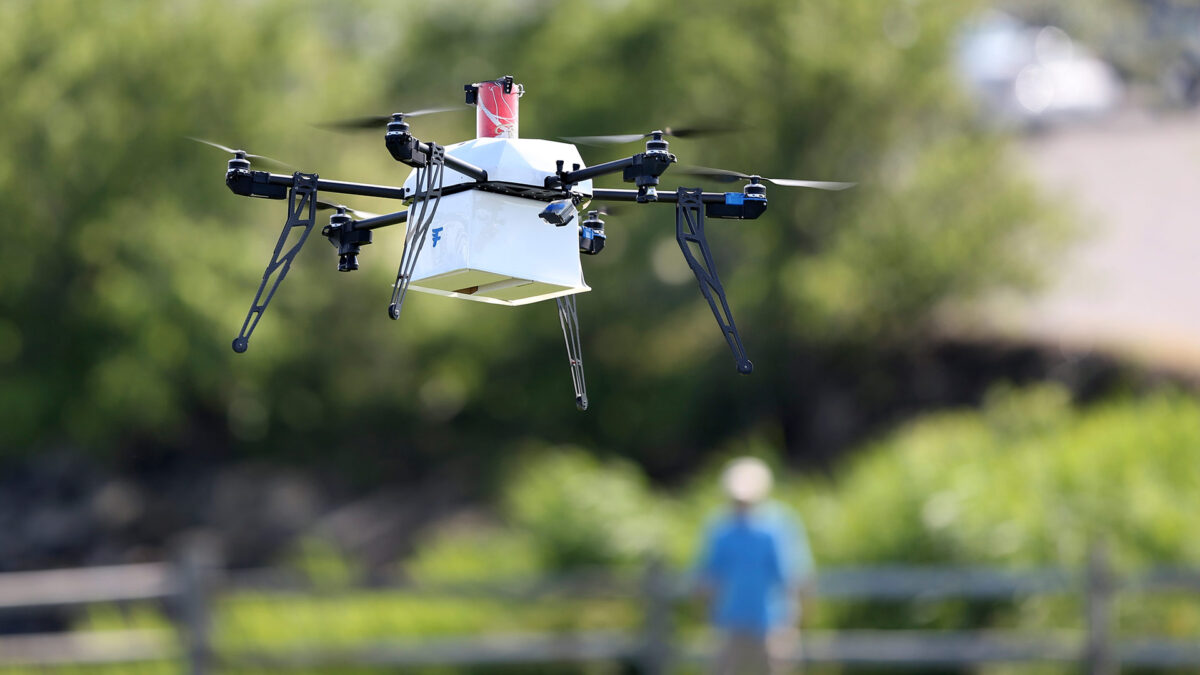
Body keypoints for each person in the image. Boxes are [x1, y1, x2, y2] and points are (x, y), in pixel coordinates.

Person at [695, 457, 815, 675]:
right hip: (730, 623)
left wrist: (792, 624)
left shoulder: (777, 525)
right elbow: (707, 577)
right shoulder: (721, 527)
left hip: (772, 623)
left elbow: (794, 577)